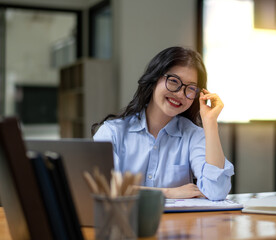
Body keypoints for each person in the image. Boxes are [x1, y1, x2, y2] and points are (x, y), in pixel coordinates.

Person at [92, 46, 234, 200]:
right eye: (173, 81)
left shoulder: (194, 135)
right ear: (154, 79)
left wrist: (210, 122)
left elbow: (216, 192)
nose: (180, 94)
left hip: (179, 224)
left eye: (191, 88)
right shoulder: (111, 133)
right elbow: (103, 188)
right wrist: (168, 193)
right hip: (124, 222)